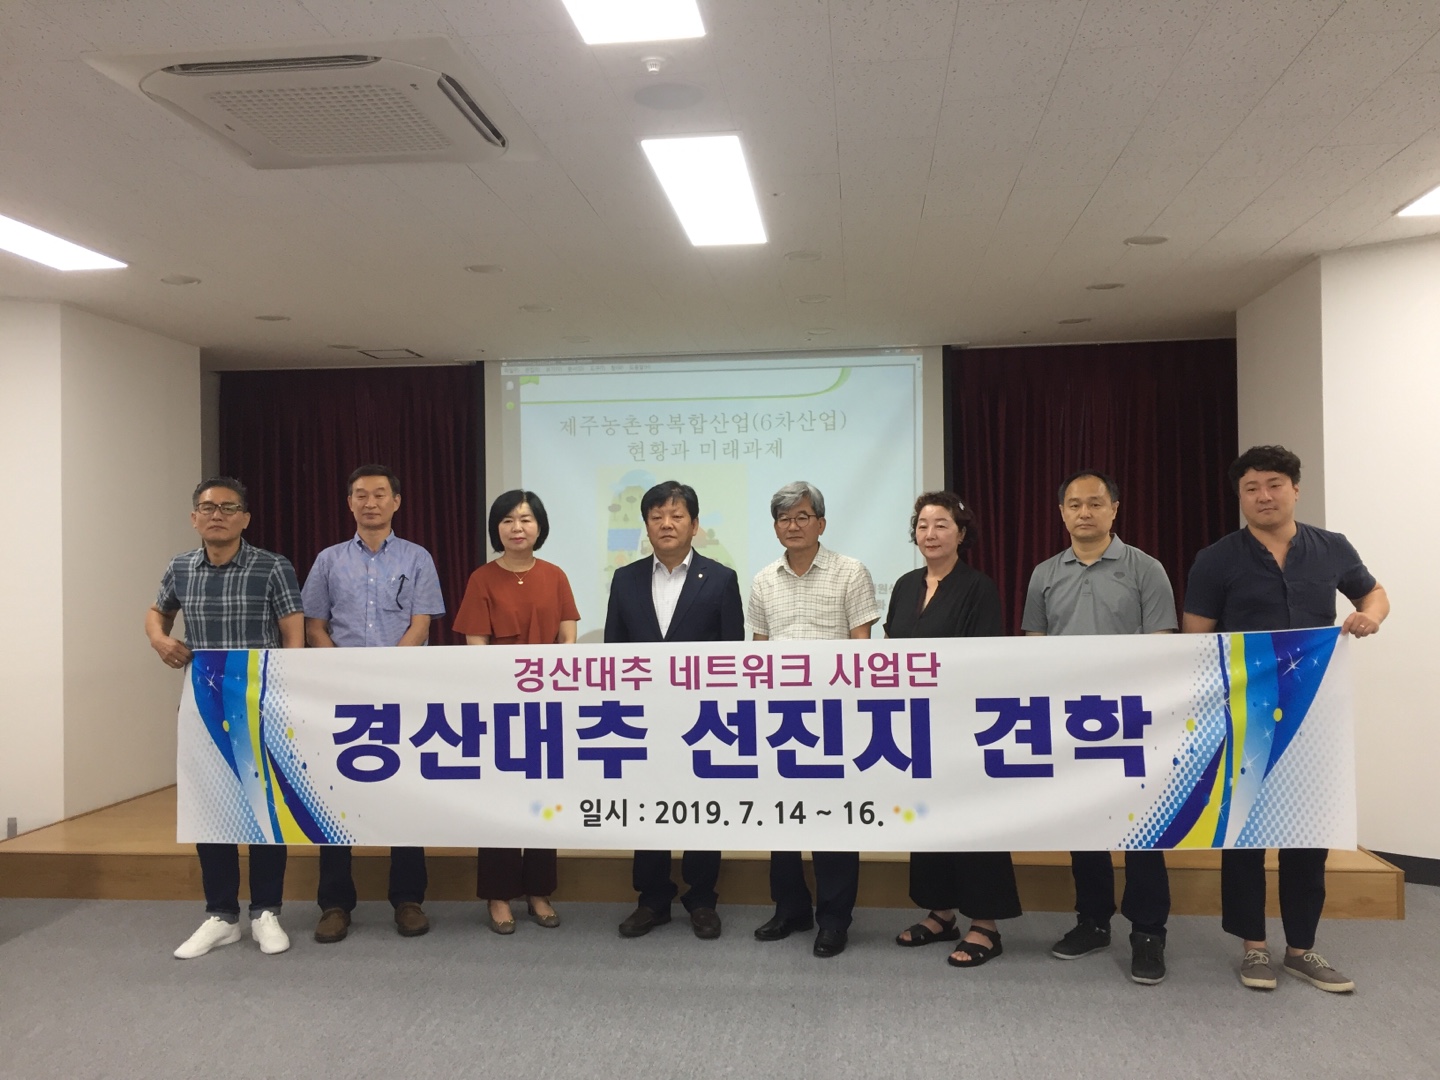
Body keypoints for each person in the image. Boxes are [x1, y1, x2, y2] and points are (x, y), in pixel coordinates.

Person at [1183, 445, 1388, 993]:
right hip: (1245, 715)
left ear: (1295, 489)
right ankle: (1253, 946)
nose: (1263, 496)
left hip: (1314, 714)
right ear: (1240, 497)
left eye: (1274, 484)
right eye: (1251, 488)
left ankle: (1301, 949)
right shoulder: (1216, 559)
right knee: (1243, 834)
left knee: (1307, 834)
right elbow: (1196, 639)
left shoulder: (1331, 547)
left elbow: (1372, 593)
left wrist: (1369, 616)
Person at [1022, 470, 1177, 985]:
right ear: (1061, 513)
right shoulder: (1044, 574)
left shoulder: (1145, 568)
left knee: (1143, 830)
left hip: (1133, 718)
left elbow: (1161, 642)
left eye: (1094, 503)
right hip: (1070, 720)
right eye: (1074, 504)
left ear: (1114, 509)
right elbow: (1035, 647)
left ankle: (1148, 932)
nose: (1084, 512)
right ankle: (1092, 921)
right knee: (1084, 827)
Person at [146, 477, 304, 959]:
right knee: (210, 808)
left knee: (263, 806)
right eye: (208, 507)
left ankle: (266, 911)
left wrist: (286, 692)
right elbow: (157, 613)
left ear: (245, 518)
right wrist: (159, 639)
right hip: (202, 704)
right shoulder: (181, 567)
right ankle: (221, 915)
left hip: (259, 701)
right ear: (194, 517)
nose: (217, 515)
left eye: (229, 507)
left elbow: (293, 633)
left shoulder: (272, 566)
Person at [302, 464, 446, 944]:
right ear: (349, 503)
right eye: (361, 494)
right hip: (340, 697)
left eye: (380, 494)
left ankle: (408, 899)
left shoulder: (417, 557)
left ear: (396, 502)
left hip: (401, 692)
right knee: (334, 797)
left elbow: (421, 624)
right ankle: (335, 903)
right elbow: (315, 625)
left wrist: (384, 674)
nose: (370, 502)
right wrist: (345, 673)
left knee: (404, 795)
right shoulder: (328, 560)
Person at [888, 492, 1022, 970]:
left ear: (961, 534)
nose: (930, 534)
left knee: (974, 818)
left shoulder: (978, 587)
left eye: (941, 524)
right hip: (915, 724)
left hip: (965, 724)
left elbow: (984, 660)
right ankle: (940, 912)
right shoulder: (905, 585)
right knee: (928, 815)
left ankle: (986, 924)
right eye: (922, 525)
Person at [606, 481, 745, 940]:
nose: (666, 524)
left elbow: (733, 655)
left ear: (695, 524)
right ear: (646, 526)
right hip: (641, 718)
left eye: (677, 515)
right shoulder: (625, 579)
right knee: (647, 805)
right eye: (656, 517)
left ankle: (702, 899)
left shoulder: (721, 579)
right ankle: (652, 900)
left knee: (703, 806)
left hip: (704, 719)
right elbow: (614, 652)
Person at [749, 481, 882, 958]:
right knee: (781, 818)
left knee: (834, 818)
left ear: (821, 523)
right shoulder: (763, 580)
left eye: (802, 516)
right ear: (775, 527)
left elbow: (861, 647)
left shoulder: (851, 572)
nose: (793, 525)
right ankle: (790, 909)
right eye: (784, 518)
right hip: (782, 717)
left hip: (835, 715)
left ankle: (834, 919)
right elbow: (758, 652)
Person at [452, 490, 579, 934]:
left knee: (543, 800)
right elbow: (476, 646)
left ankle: (539, 890)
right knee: (501, 802)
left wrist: (546, 685)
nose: (517, 527)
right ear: (497, 529)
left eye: (525, 519)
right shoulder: (482, 579)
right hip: (500, 707)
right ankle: (499, 894)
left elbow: (568, 638)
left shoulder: (555, 576)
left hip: (547, 707)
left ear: (539, 526)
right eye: (507, 520)